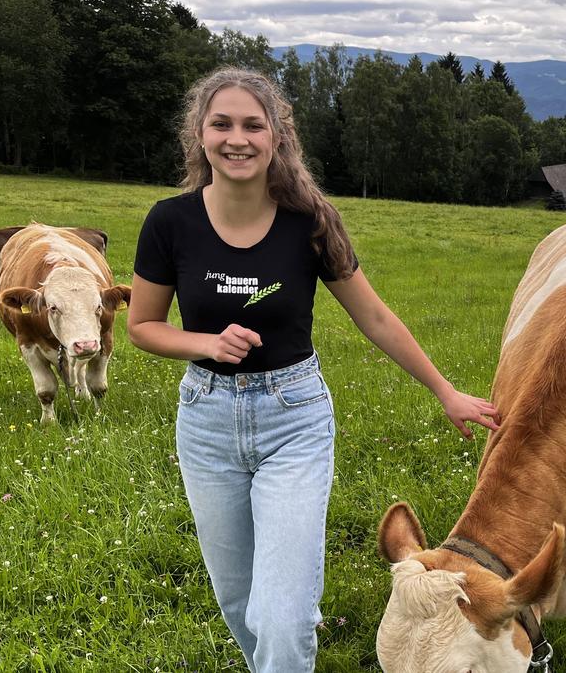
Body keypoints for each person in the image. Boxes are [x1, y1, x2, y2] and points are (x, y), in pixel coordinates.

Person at [127, 67, 500, 673]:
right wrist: (206, 343)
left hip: (292, 419)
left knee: (284, 614)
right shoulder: (170, 222)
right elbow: (143, 326)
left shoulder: (311, 222)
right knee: (240, 599)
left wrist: (445, 390)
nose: (237, 138)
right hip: (207, 420)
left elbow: (374, 316)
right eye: (221, 124)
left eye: (254, 124)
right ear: (199, 135)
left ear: (278, 137)